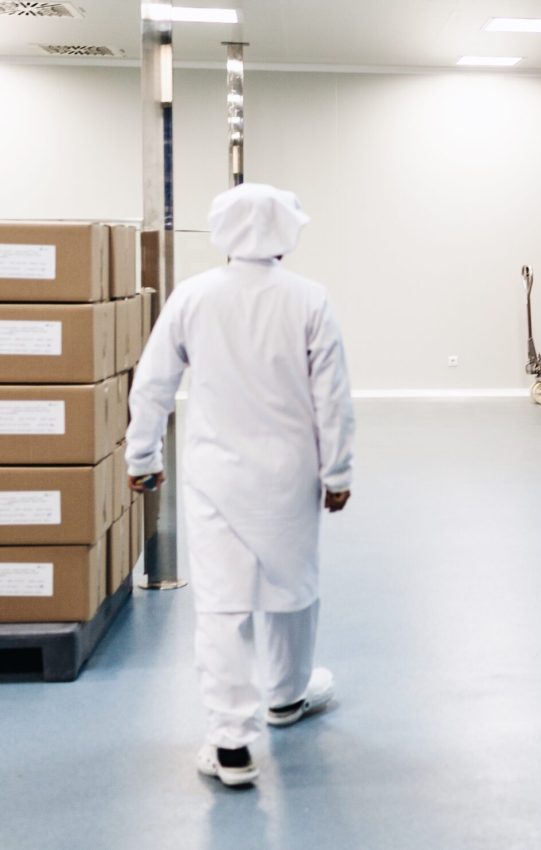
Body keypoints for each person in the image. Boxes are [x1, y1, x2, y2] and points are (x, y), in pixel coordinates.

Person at [125, 183, 355, 787]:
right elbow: (332, 397)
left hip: (214, 476)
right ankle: (286, 694)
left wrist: (142, 454)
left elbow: (153, 382)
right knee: (293, 588)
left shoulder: (193, 296)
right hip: (290, 473)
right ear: (286, 232)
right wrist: (338, 471)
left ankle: (232, 745)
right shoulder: (309, 299)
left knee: (223, 604)